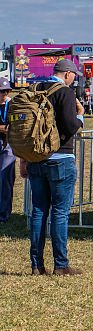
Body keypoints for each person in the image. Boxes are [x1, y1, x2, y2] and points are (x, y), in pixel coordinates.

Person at [27, 58, 85, 275]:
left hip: (35, 159)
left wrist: (25, 159)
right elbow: (71, 126)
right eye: (74, 77)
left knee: (39, 211)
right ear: (68, 74)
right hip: (60, 159)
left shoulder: (36, 90)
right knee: (60, 213)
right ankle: (60, 265)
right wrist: (80, 115)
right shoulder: (65, 93)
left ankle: (36, 265)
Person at [0, 77, 15, 223]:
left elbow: (18, 125)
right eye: (1, 91)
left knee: (5, 178)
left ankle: (4, 214)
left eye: (6, 91)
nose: (3, 94)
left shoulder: (13, 105)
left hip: (8, 144)